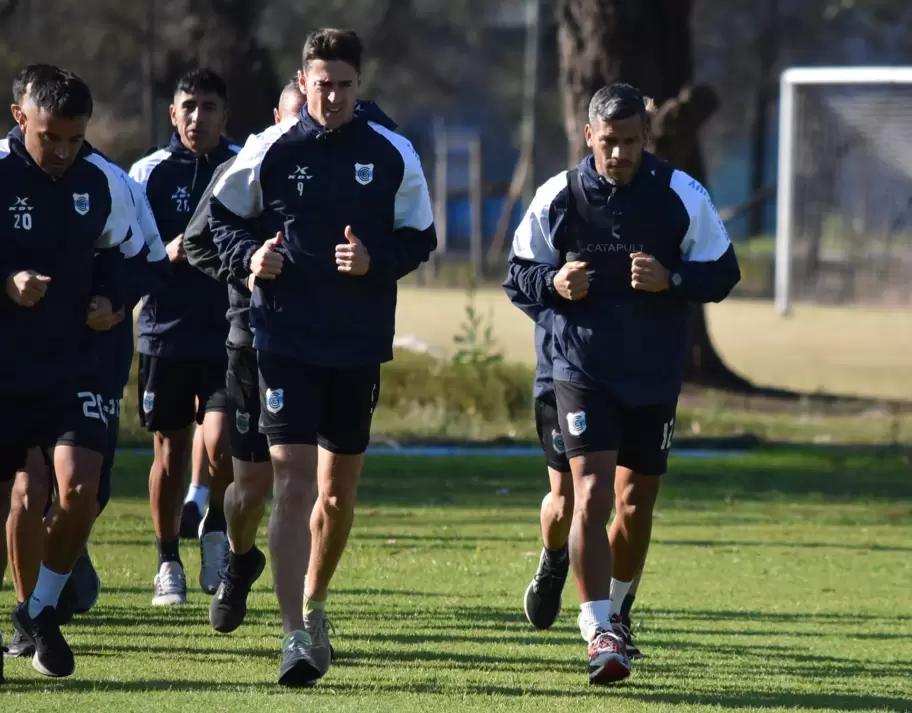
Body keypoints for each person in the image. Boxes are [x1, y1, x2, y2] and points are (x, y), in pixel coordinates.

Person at [209, 28, 436, 686]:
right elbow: (220, 218)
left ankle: (315, 600)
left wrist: (375, 262)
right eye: (320, 83)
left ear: (359, 86)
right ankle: (293, 635)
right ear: (303, 82)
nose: (331, 95)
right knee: (292, 484)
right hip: (283, 341)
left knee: (337, 496)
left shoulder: (392, 153)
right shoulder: (271, 149)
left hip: (357, 345)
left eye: (342, 84)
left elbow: (420, 237)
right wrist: (250, 258)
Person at [505, 82, 740, 685]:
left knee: (635, 505)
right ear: (589, 137)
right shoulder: (559, 194)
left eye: (631, 142)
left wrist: (675, 278)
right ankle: (597, 626)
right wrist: (555, 285)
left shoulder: (680, 194)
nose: (619, 153)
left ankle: (617, 608)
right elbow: (517, 273)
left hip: (652, 372)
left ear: (645, 137)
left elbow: (724, 270)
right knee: (585, 497)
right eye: (609, 142)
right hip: (578, 367)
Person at [0, 65, 138, 677]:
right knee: (17, 500)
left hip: (75, 365)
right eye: (49, 136)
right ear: (19, 117)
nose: (60, 151)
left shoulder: (104, 180)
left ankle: (40, 611)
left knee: (81, 490)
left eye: (73, 139)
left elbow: (143, 259)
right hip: (6, 369)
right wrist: (7, 283)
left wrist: (115, 300)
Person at [184, 77, 305, 633]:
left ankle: (304, 621)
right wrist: (248, 265)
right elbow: (196, 242)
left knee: (311, 486)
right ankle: (239, 558)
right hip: (252, 341)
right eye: (295, 117)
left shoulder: (355, 164)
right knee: (249, 488)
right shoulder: (244, 168)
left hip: (326, 348)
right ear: (276, 118)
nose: (307, 128)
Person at [129, 69, 240, 605]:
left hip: (227, 335)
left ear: (225, 114)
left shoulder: (244, 166)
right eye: (189, 107)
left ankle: (215, 528)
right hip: (164, 335)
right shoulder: (146, 173)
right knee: (170, 456)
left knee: (221, 445)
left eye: (209, 107)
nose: (198, 117)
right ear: (173, 114)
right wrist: (163, 254)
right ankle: (167, 559)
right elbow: (125, 252)